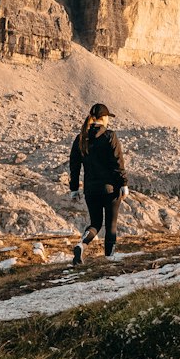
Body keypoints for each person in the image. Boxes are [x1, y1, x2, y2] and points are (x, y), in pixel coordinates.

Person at [68, 102, 129, 264]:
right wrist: (123, 183)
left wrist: (74, 189)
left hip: (91, 189)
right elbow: (118, 162)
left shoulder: (81, 138)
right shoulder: (110, 136)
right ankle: (109, 258)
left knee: (95, 223)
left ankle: (82, 244)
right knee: (111, 225)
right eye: (108, 117)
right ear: (103, 118)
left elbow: (74, 165)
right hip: (111, 189)